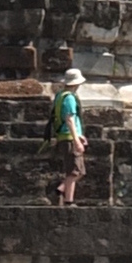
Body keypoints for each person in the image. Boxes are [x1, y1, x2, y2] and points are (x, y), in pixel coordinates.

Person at [49, 65, 87, 205]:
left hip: (64, 136)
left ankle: (60, 190)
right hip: (69, 137)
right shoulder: (70, 98)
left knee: (79, 170)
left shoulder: (60, 95)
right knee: (74, 172)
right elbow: (69, 119)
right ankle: (68, 201)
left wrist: (79, 135)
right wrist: (76, 140)